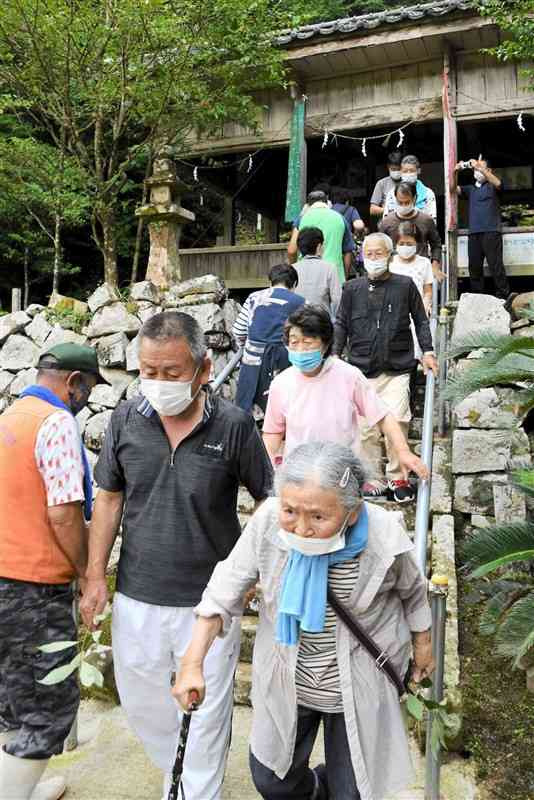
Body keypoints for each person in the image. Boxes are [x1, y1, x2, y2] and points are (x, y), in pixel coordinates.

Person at [79, 311, 273, 800]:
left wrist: (252, 570)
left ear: (204, 370)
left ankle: (192, 791)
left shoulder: (232, 425)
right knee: (144, 703)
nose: (158, 383)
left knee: (205, 716)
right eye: (148, 372)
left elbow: (268, 501)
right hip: (138, 593)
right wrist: (94, 575)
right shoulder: (125, 417)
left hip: (208, 604)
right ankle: (177, 776)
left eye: (171, 373)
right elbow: (108, 498)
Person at [172, 441, 434, 800]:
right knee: (271, 779)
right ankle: (314, 792)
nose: (300, 528)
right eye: (291, 511)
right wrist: (192, 663)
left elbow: (414, 592)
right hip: (290, 678)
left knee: (353, 792)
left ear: (352, 513)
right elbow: (224, 589)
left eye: (318, 517)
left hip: (358, 685)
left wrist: (423, 646)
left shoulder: (383, 535)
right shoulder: (267, 523)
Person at [0, 343, 104, 800]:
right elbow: (64, 513)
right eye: (88, 388)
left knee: (11, 696)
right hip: (34, 587)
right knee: (46, 704)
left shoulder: (10, 418)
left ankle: (25, 784)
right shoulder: (56, 422)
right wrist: (86, 570)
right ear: (74, 383)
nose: (86, 399)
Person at [262, 304, 429, 496]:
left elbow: (383, 416)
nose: (300, 349)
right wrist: (270, 468)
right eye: (294, 342)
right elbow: (272, 433)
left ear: (325, 344)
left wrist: (403, 451)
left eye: (307, 343)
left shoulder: (348, 376)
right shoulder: (281, 383)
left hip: (343, 477)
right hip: (299, 477)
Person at [333, 233, 437, 503]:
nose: (374, 258)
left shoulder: (405, 285)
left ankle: (398, 477)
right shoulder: (352, 288)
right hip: (361, 367)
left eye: (379, 253)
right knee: (365, 427)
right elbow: (341, 324)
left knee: (398, 420)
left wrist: (428, 351)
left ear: (389, 256)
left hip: (398, 367)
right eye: (369, 253)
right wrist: (333, 356)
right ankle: (371, 477)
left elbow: (421, 321)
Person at [233, 263, 305, 414]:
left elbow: (238, 330)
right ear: (294, 284)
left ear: (270, 281)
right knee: (283, 407)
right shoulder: (300, 302)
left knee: (245, 408)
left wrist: (245, 344)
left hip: (252, 357)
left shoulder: (253, 297)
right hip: (283, 359)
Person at [451, 157, 512, 301]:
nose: (477, 171)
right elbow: (453, 189)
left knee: (496, 267)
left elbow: (499, 183)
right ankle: (478, 299)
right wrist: (455, 172)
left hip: (491, 232)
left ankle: (504, 298)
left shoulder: (493, 187)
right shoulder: (470, 189)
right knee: (474, 268)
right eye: (475, 169)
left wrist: (480, 167)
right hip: (474, 233)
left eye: (480, 168)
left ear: (488, 170)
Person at [379, 181, 444, 281]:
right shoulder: (387, 222)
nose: (403, 205)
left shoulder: (426, 220)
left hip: (420, 273)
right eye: (400, 202)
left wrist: (435, 266)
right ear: (395, 199)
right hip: (395, 274)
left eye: (407, 202)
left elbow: (436, 245)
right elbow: (381, 248)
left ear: (415, 199)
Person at [287, 189, 355, 285]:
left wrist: (293, 270)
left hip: (306, 276)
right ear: (327, 201)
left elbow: (291, 250)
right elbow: (348, 251)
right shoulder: (340, 218)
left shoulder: (302, 218)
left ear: (308, 204)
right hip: (335, 276)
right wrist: (344, 276)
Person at [390, 221, 434, 362]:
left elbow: (427, 290)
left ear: (417, 244)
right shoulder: (390, 262)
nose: (405, 247)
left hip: (416, 315)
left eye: (409, 244)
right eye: (402, 243)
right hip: (393, 314)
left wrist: (425, 305)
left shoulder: (424, 263)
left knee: (415, 352)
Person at [294, 227, 342, 318]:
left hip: (296, 321)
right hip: (321, 322)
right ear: (319, 246)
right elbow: (337, 300)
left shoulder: (292, 268)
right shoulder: (330, 268)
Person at [382, 155, 437, 222]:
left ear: (418, 171)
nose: (408, 174)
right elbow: (386, 220)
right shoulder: (392, 194)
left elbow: (432, 221)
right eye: (405, 171)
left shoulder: (428, 194)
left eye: (411, 170)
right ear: (401, 172)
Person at [369, 151, 403, 218]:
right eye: (393, 169)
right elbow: (372, 210)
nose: (396, 171)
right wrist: (389, 210)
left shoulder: (409, 182)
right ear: (388, 167)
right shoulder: (382, 183)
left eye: (399, 169)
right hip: (387, 224)